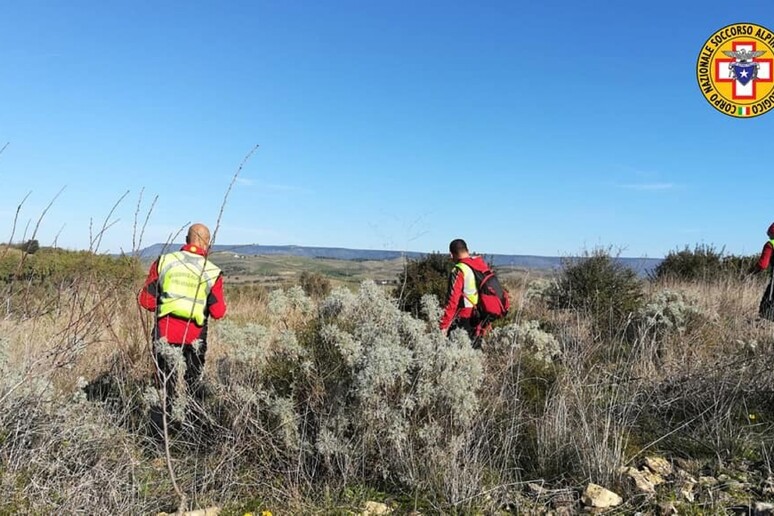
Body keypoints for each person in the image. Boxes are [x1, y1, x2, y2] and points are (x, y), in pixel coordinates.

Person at [138, 223, 227, 417]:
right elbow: (219, 312)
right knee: (194, 383)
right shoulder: (212, 271)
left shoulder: (164, 262)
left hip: (164, 334)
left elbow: (146, 301)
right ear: (208, 244)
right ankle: (192, 430)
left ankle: (160, 435)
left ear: (186, 240)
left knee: (163, 386)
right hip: (195, 338)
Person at [439, 238, 493, 346]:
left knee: (456, 351)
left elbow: (452, 301)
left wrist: (444, 326)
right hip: (482, 314)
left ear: (451, 254)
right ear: (467, 250)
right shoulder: (481, 264)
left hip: (465, 317)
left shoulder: (459, 269)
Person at [755, 222, 774, 320]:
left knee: (767, 307)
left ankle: (766, 325)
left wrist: (752, 272)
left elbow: (762, 265)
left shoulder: (770, 244)